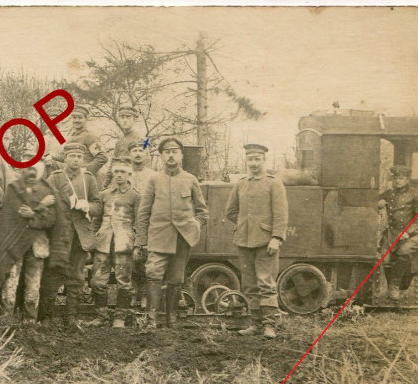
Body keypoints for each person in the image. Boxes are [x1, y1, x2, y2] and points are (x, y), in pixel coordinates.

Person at [134, 136, 208, 329]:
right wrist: (142, 240)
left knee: (176, 278)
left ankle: (172, 319)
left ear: (181, 155)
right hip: (158, 237)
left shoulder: (190, 180)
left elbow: (203, 212)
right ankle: (151, 320)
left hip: (182, 239)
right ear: (161, 156)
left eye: (175, 152)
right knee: (154, 274)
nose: (171, 156)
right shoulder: (154, 180)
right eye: (167, 152)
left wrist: (194, 226)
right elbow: (143, 212)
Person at [223, 143, 289, 339]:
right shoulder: (241, 184)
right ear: (247, 161)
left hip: (266, 241)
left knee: (266, 283)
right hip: (243, 241)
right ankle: (256, 324)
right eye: (250, 159)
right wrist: (245, 225)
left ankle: (270, 325)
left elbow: (281, 214)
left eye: (257, 159)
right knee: (250, 284)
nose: (253, 163)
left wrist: (276, 237)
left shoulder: (273, 184)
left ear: (264, 160)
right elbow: (230, 211)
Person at [0, 161, 57, 325]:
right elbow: (15, 215)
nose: (31, 172)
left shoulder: (47, 191)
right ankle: (7, 319)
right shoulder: (14, 189)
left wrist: (33, 213)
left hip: (37, 244)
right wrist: (41, 206)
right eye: (28, 168)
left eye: (34, 169)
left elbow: (50, 220)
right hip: (15, 243)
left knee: (33, 284)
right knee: (10, 282)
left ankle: (30, 320)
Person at [44, 141, 103, 327]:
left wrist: (89, 207)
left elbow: (99, 205)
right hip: (59, 234)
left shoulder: (88, 179)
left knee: (76, 277)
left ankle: (71, 318)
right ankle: (46, 317)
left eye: (79, 156)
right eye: (72, 156)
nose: (76, 160)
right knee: (53, 275)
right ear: (65, 158)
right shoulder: (55, 178)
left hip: (79, 236)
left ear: (83, 158)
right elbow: (45, 203)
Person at [90, 157, 140, 328]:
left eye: (123, 172)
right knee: (97, 280)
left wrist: (137, 245)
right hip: (103, 243)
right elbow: (96, 221)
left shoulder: (135, 196)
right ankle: (101, 316)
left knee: (124, 281)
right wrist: (95, 238)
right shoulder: (104, 195)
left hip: (123, 244)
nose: (119, 175)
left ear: (129, 174)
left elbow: (140, 222)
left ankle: (119, 317)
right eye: (116, 171)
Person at [379, 165, 418, 301]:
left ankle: (395, 286)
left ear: (407, 179)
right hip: (392, 232)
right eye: (396, 178)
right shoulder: (389, 193)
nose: (398, 181)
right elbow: (372, 199)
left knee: (404, 251)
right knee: (384, 258)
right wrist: (378, 202)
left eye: (401, 178)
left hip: (411, 233)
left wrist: (408, 233)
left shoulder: (415, 194)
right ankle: (390, 287)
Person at [48, 104, 108, 179]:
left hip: (85, 179)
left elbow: (102, 157)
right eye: (74, 117)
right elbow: (64, 157)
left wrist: (86, 170)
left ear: (86, 119)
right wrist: (51, 156)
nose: (76, 120)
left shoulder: (89, 136)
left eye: (80, 118)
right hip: (71, 176)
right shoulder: (72, 136)